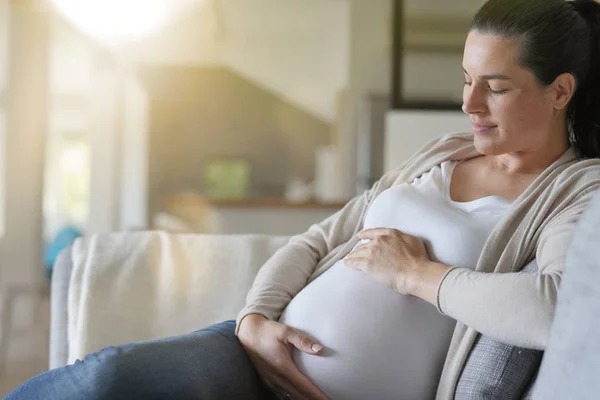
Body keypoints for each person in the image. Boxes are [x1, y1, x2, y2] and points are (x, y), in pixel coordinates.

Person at [7, 0, 600, 399]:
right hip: (254, 355)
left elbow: (552, 309)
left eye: (494, 88)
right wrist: (255, 320)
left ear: (560, 92)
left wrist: (417, 275)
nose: (470, 105)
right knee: (104, 379)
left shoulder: (575, 192)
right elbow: (319, 240)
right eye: (467, 80)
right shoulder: (443, 151)